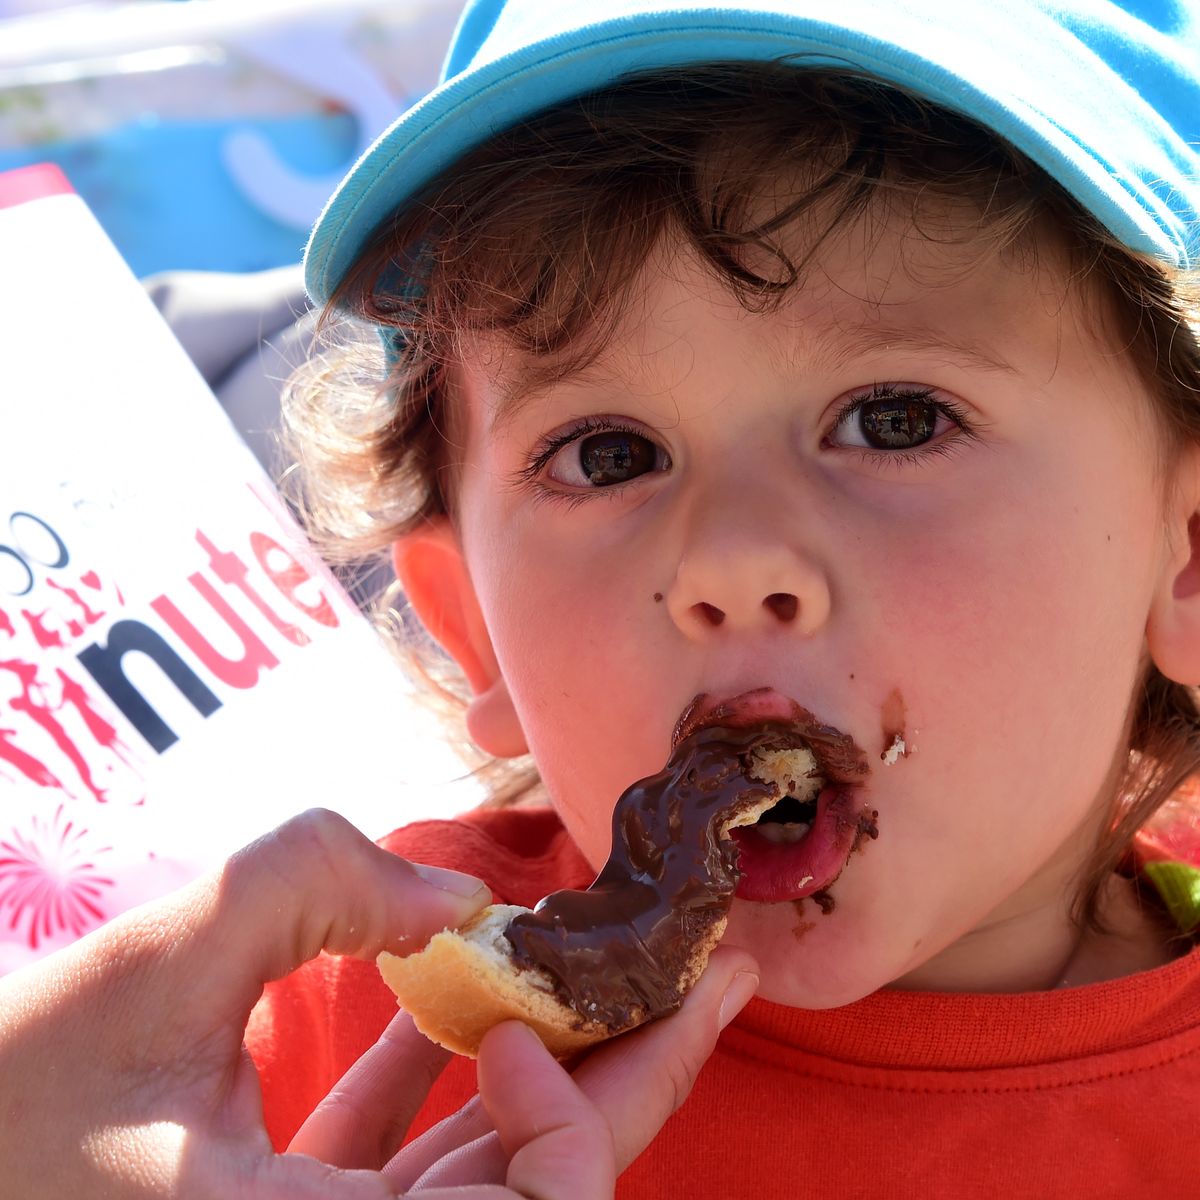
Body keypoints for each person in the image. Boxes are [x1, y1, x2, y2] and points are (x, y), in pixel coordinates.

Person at [3, 0, 1199, 1194]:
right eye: (608, 455)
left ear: (1186, 548)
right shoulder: (329, 1017)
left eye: (894, 420)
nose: (730, 563)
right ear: (473, 627)